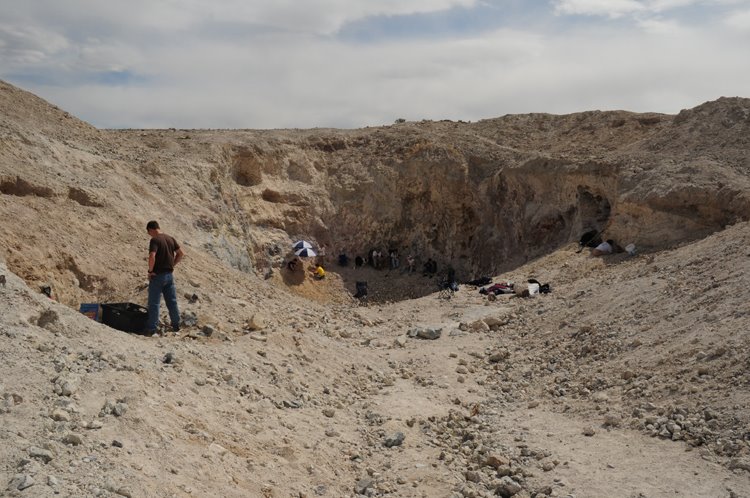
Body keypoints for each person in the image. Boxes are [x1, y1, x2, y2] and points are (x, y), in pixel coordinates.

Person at [145, 221, 184, 336]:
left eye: (149, 233)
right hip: (169, 275)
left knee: (154, 303)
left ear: (151, 229)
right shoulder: (170, 239)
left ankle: (151, 329)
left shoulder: (155, 240)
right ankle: (176, 325)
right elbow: (181, 253)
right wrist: (172, 264)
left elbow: (152, 256)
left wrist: (150, 271)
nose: (150, 235)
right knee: (172, 302)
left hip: (157, 276)